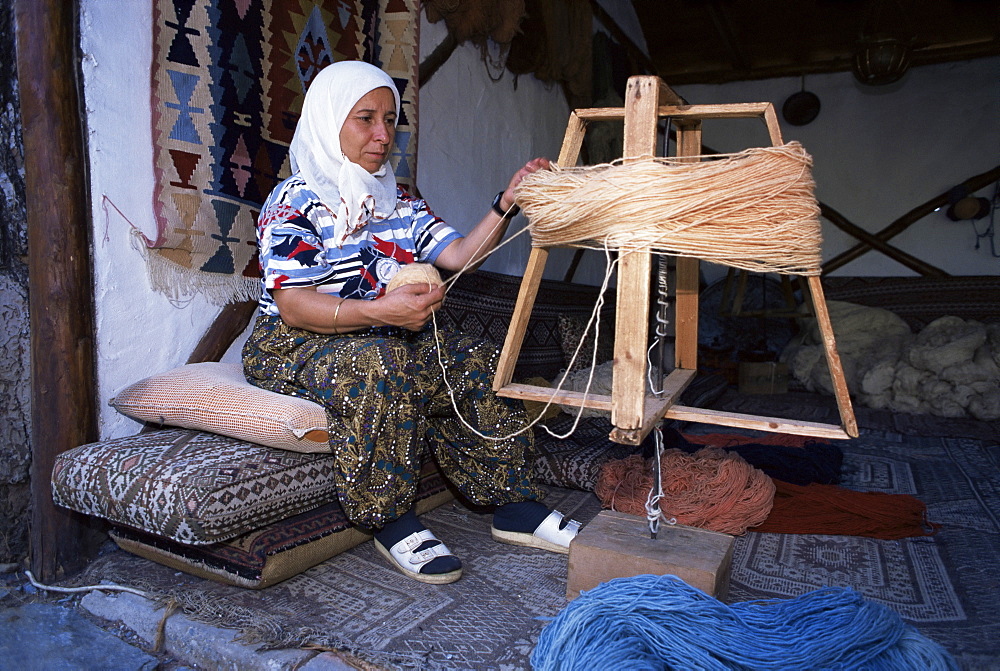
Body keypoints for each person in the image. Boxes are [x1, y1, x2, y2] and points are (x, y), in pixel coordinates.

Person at [243, 60, 579, 585]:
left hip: (379, 332)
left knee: (475, 360)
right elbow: (294, 305)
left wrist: (506, 203)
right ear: (329, 121)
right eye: (365, 119)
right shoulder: (295, 203)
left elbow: (463, 253)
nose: (383, 135)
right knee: (378, 363)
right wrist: (380, 312)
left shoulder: (396, 199)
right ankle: (391, 518)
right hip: (293, 341)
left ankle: (514, 505)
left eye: (390, 119)